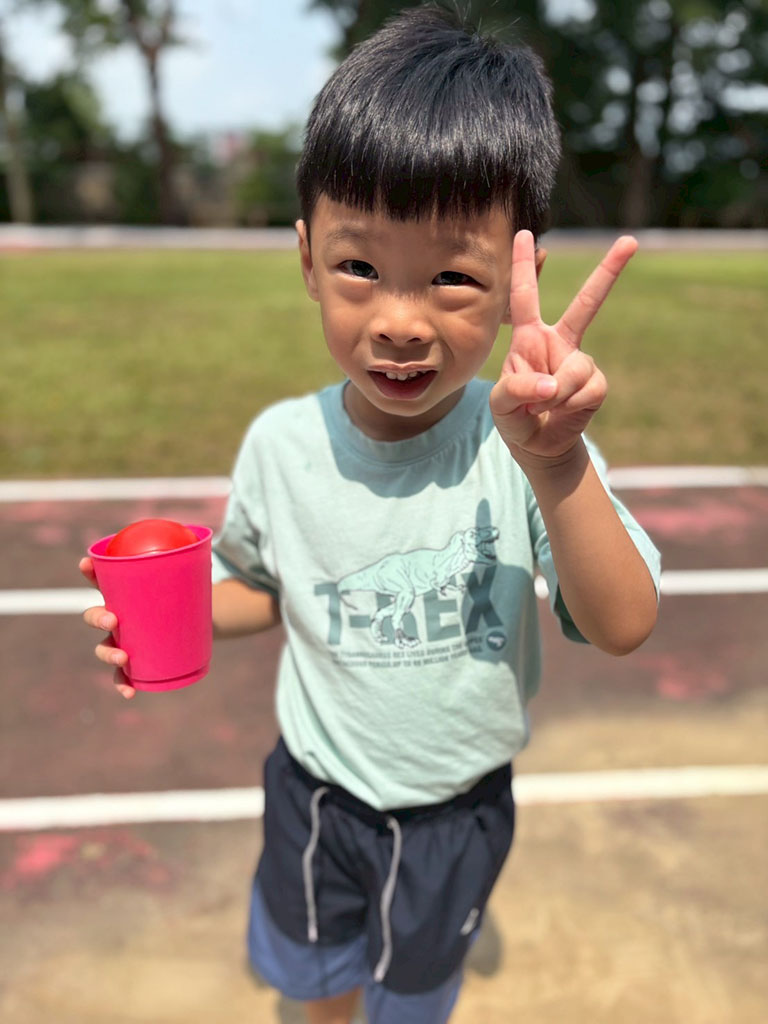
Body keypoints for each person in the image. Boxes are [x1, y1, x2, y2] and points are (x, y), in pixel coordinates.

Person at [80, 5, 660, 1023]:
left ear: (517, 279)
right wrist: (170, 617)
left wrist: (559, 463)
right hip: (314, 795)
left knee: (413, 995)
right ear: (307, 257)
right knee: (319, 980)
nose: (399, 321)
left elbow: (622, 624)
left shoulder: (527, 440)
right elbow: (265, 587)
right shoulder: (281, 445)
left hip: (455, 812)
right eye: (360, 267)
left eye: (452, 277)